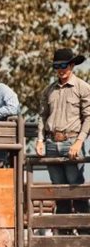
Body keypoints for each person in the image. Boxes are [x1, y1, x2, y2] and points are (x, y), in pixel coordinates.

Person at [35, 48, 90, 222]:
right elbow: (42, 116)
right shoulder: (48, 90)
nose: (61, 70)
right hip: (51, 143)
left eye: (64, 65)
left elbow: (88, 117)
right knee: (58, 190)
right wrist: (40, 140)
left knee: (75, 188)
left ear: (72, 65)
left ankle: (84, 230)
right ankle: (62, 230)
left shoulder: (82, 87)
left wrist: (79, 142)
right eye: (57, 66)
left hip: (71, 141)